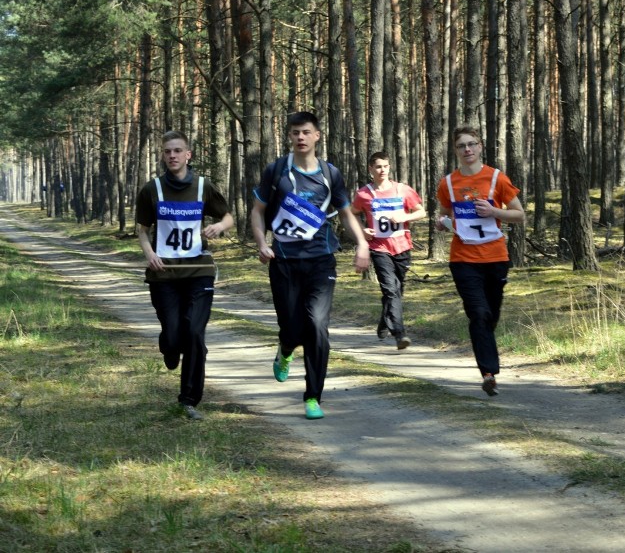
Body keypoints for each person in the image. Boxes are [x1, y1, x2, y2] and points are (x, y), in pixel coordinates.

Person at [250, 111, 370, 420]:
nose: (300, 137)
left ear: (317, 135)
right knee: (291, 328)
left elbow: (345, 213)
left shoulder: (330, 174)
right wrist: (262, 243)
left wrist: (362, 244)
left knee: (317, 326)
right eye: (295, 133)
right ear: (289, 136)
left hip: (320, 259)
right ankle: (286, 349)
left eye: (306, 132)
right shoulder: (276, 171)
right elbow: (257, 210)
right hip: (284, 261)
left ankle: (313, 396)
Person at [136, 130, 234, 420]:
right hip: (163, 273)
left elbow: (227, 215)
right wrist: (149, 254)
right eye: (168, 151)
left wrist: (219, 227)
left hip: (199, 271)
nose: (173, 156)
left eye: (178, 150)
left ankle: (189, 399)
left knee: (194, 333)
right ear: (163, 156)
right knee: (174, 334)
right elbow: (142, 230)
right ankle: (169, 346)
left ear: (188, 155)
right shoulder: (151, 190)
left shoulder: (204, 186)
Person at [436, 126, 525, 396]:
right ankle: (488, 373)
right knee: (478, 313)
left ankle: (486, 352)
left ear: (480, 146)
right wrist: (442, 223)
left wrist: (494, 210)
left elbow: (519, 214)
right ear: (455, 150)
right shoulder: (448, 183)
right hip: (463, 259)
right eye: (461, 145)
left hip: (495, 257)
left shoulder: (496, 178)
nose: (467, 150)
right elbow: (442, 214)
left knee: (491, 315)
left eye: (472, 144)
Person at [351, 151, 426, 350]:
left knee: (398, 290)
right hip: (379, 247)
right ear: (370, 169)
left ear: (389, 167)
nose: (382, 170)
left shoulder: (402, 190)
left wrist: (404, 218)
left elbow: (421, 211)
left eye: (385, 166)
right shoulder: (363, 194)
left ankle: (385, 319)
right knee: (390, 290)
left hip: (402, 246)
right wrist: (362, 230)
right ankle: (400, 333)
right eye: (378, 167)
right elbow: (351, 215)